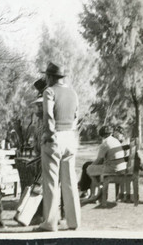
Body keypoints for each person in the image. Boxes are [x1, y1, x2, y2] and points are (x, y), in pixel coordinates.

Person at [36, 62, 80, 232]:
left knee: (51, 182)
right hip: (70, 136)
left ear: (50, 77)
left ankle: (50, 222)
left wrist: (50, 134)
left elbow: (48, 115)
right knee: (70, 182)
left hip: (56, 137)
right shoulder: (73, 93)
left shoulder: (49, 91)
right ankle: (74, 221)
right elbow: (76, 116)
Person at [85, 125, 126, 201]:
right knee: (95, 169)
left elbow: (99, 159)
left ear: (101, 135)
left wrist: (91, 166)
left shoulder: (105, 143)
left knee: (89, 169)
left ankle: (99, 188)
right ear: (111, 133)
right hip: (122, 167)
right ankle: (96, 191)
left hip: (113, 169)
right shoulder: (116, 140)